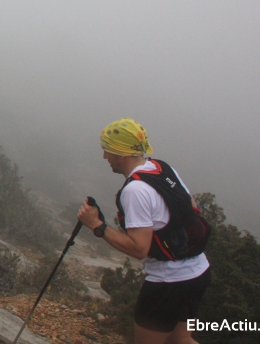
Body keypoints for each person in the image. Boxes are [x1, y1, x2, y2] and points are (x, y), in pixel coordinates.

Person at [78, 118, 210, 344]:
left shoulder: (135, 190)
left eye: (107, 150)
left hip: (168, 283)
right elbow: (192, 206)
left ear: (120, 154)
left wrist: (97, 226)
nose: (104, 157)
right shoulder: (162, 168)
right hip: (198, 271)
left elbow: (139, 249)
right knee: (181, 340)